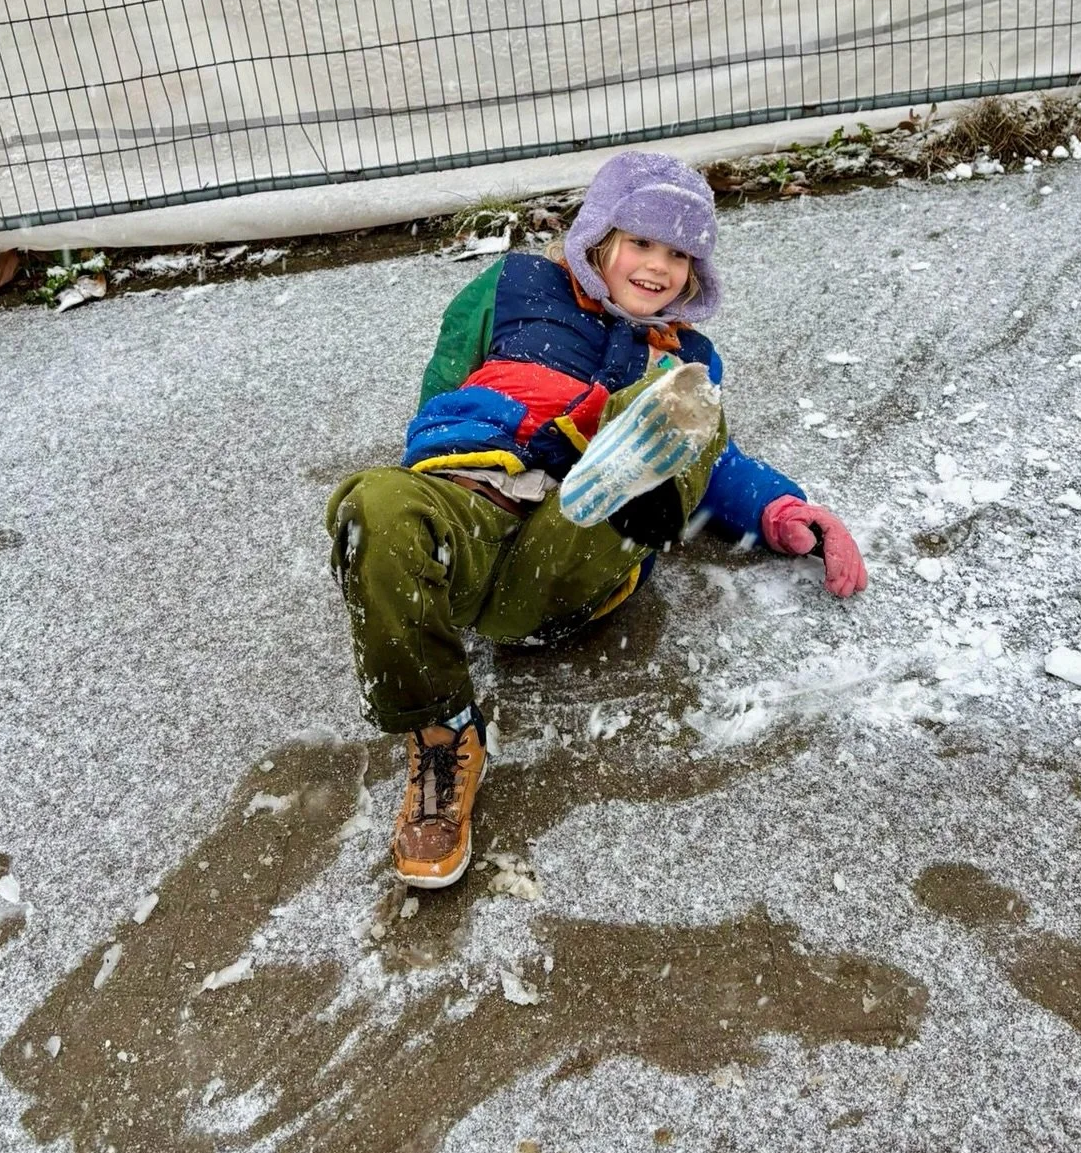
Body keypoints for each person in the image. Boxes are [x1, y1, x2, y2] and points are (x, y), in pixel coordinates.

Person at [326, 150, 867, 890]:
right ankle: (444, 733)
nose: (659, 266)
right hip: (475, 509)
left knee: (687, 408)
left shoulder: (687, 355)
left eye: (680, 254)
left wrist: (781, 508)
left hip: (568, 567)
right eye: (642, 242)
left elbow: (723, 460)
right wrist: (436, 480)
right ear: (599, 238)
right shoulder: (516, 283)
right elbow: (444, 379)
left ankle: (615, 480)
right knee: (373, 505)